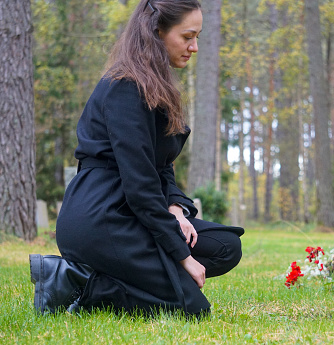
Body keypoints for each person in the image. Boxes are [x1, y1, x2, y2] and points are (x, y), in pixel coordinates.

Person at [29, 0, 243, 319]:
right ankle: (77, 281)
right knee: (192, 309)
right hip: (101, 218)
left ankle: (99, 277)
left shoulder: (157, 86)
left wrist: (175, 209)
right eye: (187, 36)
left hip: (136, 213)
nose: (194, 47)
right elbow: (140, 187)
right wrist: (182, 256)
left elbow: (161, 167)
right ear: (157, 32)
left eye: (197, 37)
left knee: (226, 246)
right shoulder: (126, 88)